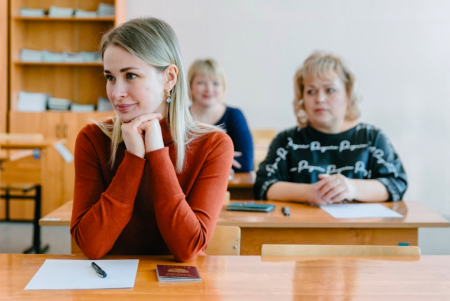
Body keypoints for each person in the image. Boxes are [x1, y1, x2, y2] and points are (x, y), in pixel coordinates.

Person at [70, 17, 233, 261]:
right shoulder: (92, 139)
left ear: (169, 78)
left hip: (179, 292)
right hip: (109, 288)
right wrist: (134, 159)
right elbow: (91, 245)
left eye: (131, 76)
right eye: (110, 77)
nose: (116, 93)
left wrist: (157, 154)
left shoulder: (214, 145)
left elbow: (187, 248)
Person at [254, 51, 407, 205]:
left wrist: (352, 188)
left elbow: (397, 183)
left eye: (330, 90)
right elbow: (263, 185)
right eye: (311, 91)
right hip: (304, 227)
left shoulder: (371, 138)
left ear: (348, 94)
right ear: (302, 98)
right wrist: (308, 193)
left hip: (359, 228)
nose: (319, 99)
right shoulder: (287, 141)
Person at [188, 59, 254, 172]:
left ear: (223, 87)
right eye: (201, 83)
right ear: (190, 86)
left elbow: (246, 163)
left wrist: (195, 159)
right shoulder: (178, 116)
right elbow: (173, 161)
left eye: (215, 83)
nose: (209, 89)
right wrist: (223, 157)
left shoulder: (234, 115)